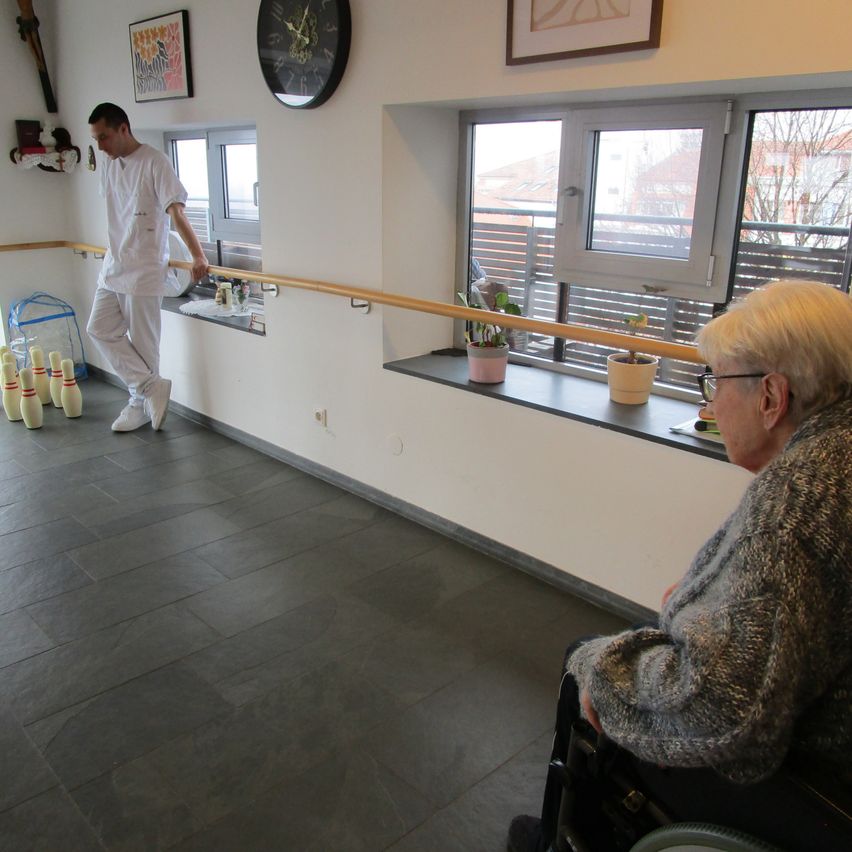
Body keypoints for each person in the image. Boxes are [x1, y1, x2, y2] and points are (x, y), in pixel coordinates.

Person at [509, 279, 852, 852]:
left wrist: (605, 670)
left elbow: (727, 711)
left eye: (716, 382)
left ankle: (558, 841)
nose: (709, 402)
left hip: (812, 789)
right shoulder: (833, 454)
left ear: (772, 396)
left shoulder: (797, 505)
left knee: (582, 660)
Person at [86, 102, 209, 432]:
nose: (100, 146)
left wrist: (198, 256)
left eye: (104, 137)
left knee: (144, 344)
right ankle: (150, 387)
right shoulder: (110, 165)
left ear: (123, 129)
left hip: (144, 267)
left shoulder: (155, 162)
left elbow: (177, 212)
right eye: (96, 139)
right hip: (114, 264)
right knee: (98, 328)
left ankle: (139, 402)